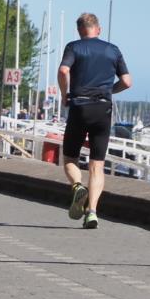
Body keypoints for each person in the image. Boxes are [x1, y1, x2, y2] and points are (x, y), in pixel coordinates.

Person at [58, 12, 132, 229]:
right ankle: (92, 212)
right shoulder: (113, 49)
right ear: (98, 29)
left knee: (70, 157)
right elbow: (127, 82)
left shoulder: (74, 47)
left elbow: (63, 70)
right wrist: (110, 90)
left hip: (79, 106)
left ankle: (78, 187)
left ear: (80, 30)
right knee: (97, 164)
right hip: (103, 108)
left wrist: (64, 94)